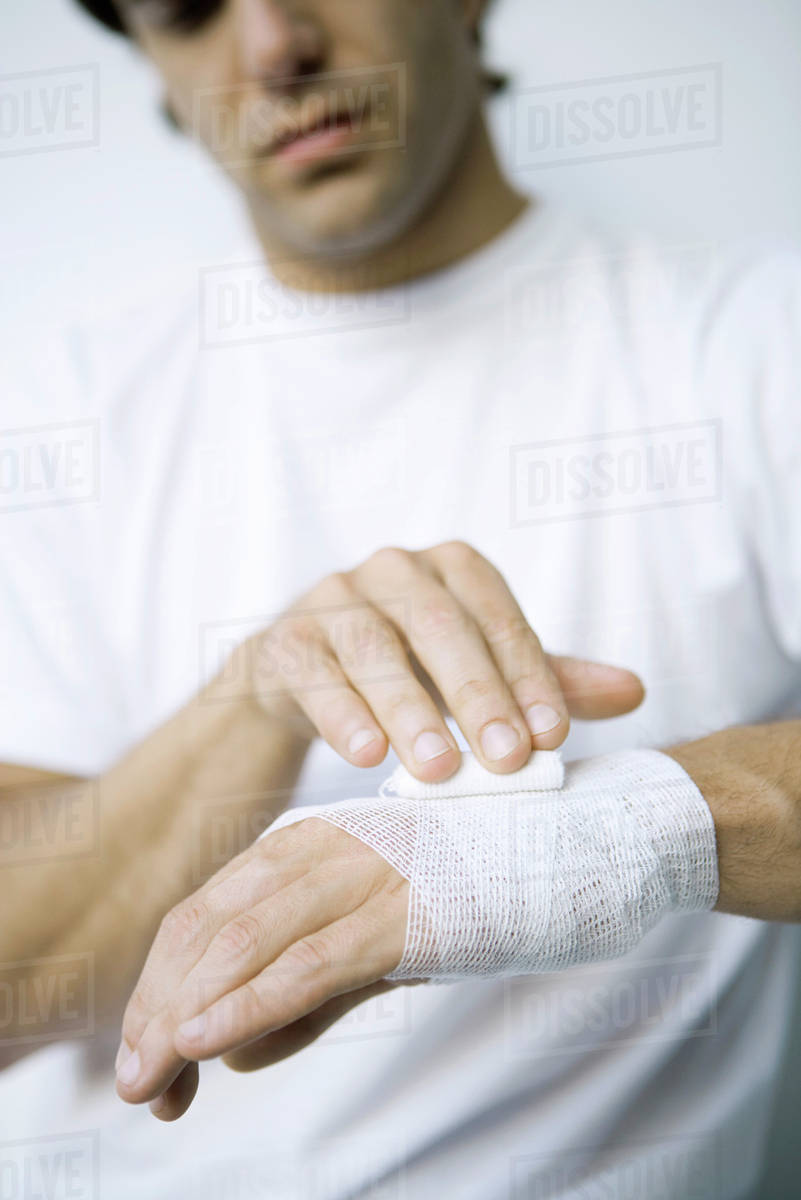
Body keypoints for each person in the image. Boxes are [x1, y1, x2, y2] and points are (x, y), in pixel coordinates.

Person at [2, 1, 799, 1196]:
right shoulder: (58, 415)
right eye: (188, 9)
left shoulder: (749, 343)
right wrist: (257, 698)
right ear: (156, 72)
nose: (274, 48)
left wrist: (610, 837)